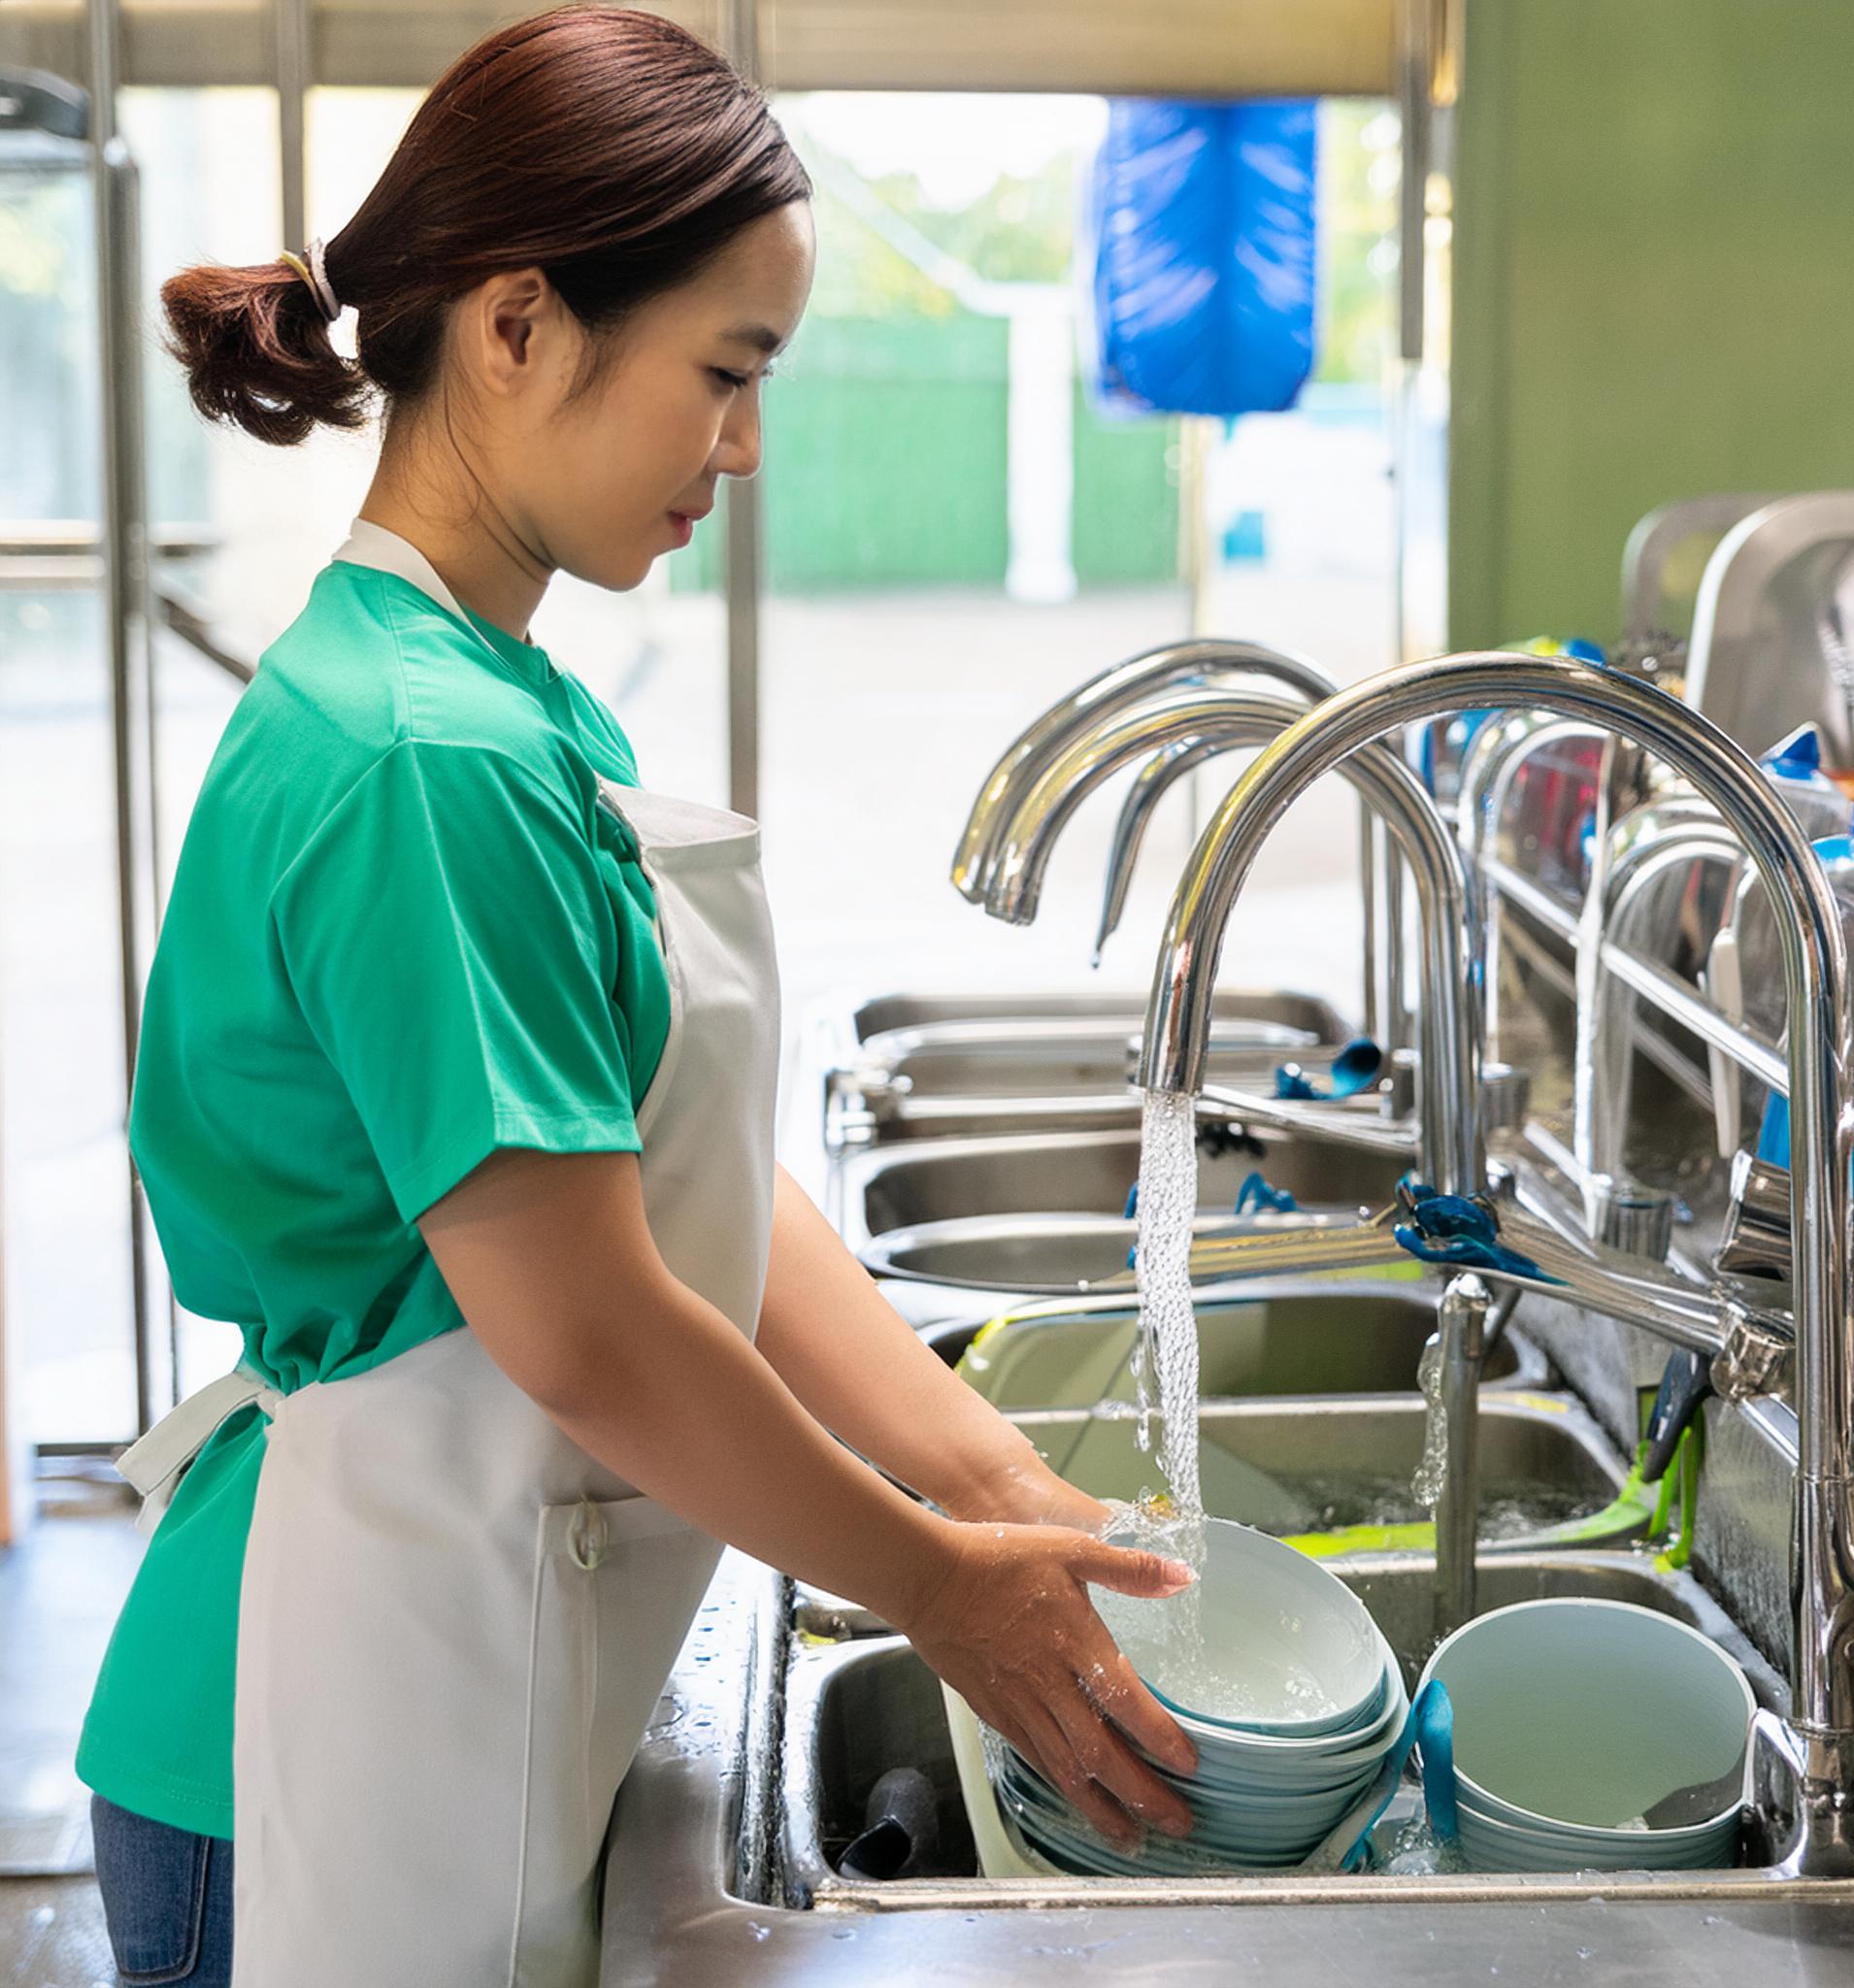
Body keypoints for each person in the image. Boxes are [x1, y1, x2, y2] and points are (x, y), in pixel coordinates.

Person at [75, 10, 1196, 1982]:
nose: (744, 447)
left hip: (430, 1667)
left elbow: (672, 1177)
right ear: (516, 326)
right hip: (303, 1726)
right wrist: (941, 1590)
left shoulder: (487, 696)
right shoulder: (426, 762)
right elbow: (588, 1326)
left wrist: (992, 1479)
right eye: (725, 372)